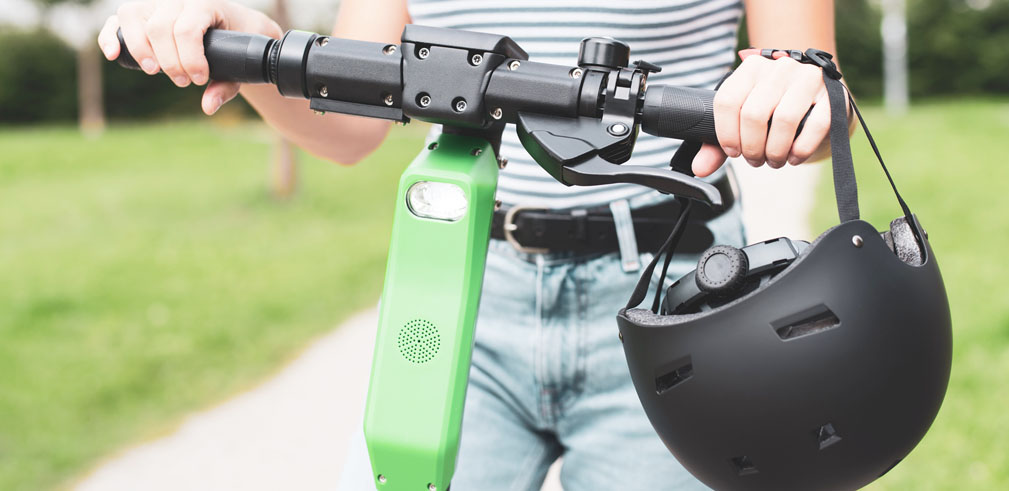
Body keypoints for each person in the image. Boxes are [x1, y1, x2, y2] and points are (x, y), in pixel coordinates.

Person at [99, 1, 843, 489]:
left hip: (672, 306)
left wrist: (793, 96)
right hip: (461, 288)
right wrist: (253, 50)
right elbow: (353, 117)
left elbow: (810, 97)